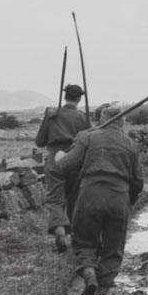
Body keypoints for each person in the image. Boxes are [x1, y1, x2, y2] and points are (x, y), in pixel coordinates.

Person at [55, 106, 143, 295]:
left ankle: (89, 275)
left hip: (90, 195)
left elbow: (66, 165)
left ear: (101, 118)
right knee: (113, 248)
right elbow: (138, 181)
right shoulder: (130, 144)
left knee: (84, 240)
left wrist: (60, 156)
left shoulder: (87, 137)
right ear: (122, 122)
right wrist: (129, 202)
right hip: (119, 197)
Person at [35, 84, 91, 253]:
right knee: (74, 198)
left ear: (65, 96)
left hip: (54, 158)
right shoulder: (83, 117)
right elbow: (89, 141)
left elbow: (39, 141)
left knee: (55, 199)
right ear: (80, 98)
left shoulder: (52, 115)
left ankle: (60, 230)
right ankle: (74, 235)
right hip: (75, 158)